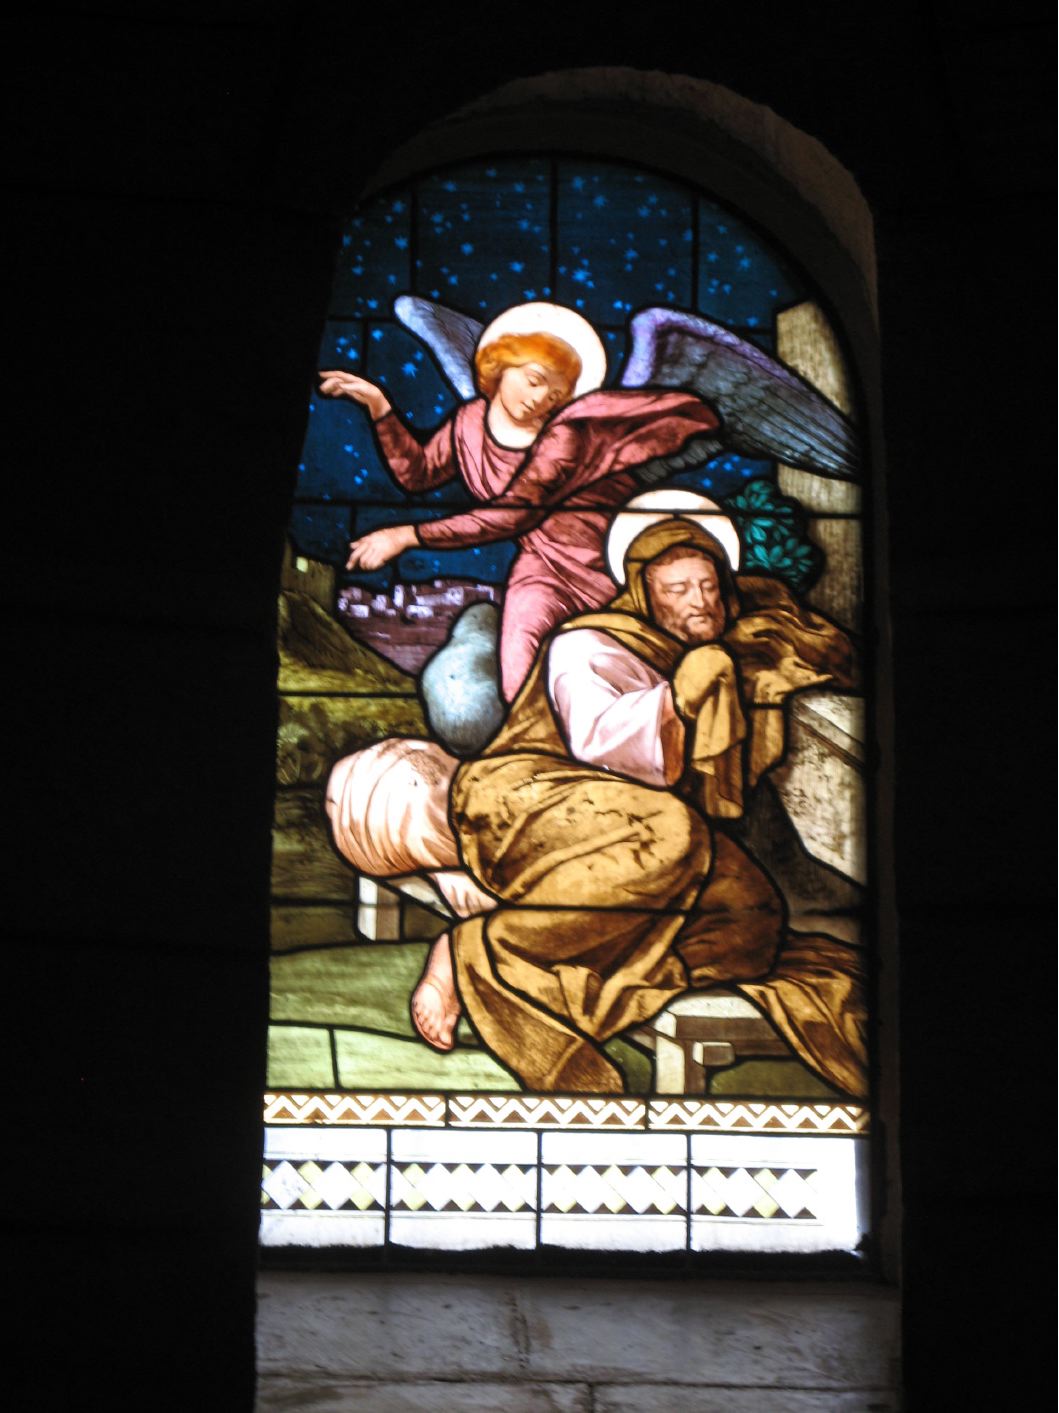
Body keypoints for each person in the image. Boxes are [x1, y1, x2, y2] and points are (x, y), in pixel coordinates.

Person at [326, 516, 868, 1098]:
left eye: (709, 586)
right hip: (536, 804)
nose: (701, 602)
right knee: (666, 840)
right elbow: (603, 746)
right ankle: (471, 952)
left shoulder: (720, 650)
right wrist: (676, 701)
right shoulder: (586, 646)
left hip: (640, 854)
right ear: (644, 592)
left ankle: (502, 957)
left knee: (744, 919)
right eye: (679, 589)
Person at [319, 306, 720, 700]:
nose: (540, 399)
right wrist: (379, 407)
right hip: (541, 565)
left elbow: (513, 515)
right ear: (501, 364)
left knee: (621, 673)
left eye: (555, 394)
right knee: (519, 667)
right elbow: (417, 474)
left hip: (602, 566)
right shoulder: (469, 422)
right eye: (534, 380)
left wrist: (408, 535)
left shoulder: (564, 438)